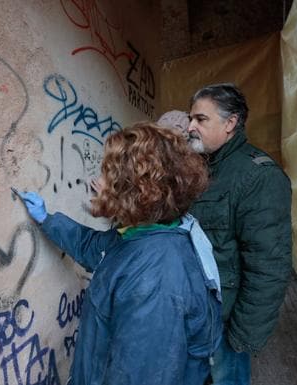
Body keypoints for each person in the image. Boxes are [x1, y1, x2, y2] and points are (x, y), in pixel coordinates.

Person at [17, 122, 222, 385]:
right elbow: (98, 248)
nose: (98, 183)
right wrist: (48, 219)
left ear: (135, 189)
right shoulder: (150, 232)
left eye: (107, 174)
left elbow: (139, 377)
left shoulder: (155, 280)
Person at [160, 83, 292, 385]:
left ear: (230, 123)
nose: (190, 126)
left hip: (225, 327)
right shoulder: (201, 167)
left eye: (200, 119)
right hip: (193, 317)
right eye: (191, 118)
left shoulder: (259, 177)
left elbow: (269, 267)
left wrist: (242, 336)